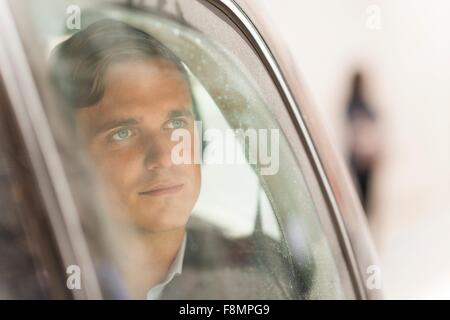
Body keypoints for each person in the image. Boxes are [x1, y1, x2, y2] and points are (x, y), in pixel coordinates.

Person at [51, 19, 313, 299]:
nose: (165, 156)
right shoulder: (34, 278)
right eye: (123, 133)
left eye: (176, 125)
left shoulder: (260, 281)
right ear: (68, 160)